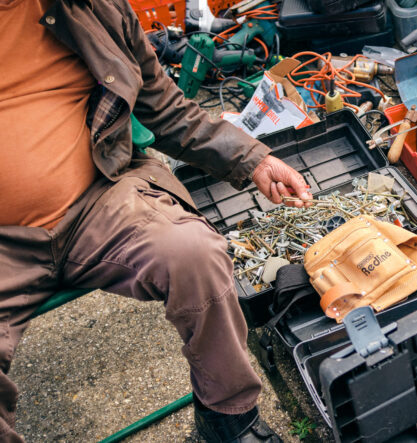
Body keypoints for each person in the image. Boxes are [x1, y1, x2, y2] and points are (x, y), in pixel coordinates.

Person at [0, 0, 312, 440]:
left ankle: (228, 423)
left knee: (196, 255)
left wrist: (253, 159)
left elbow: (163, 107)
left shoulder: (90, 8)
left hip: (99, 194)